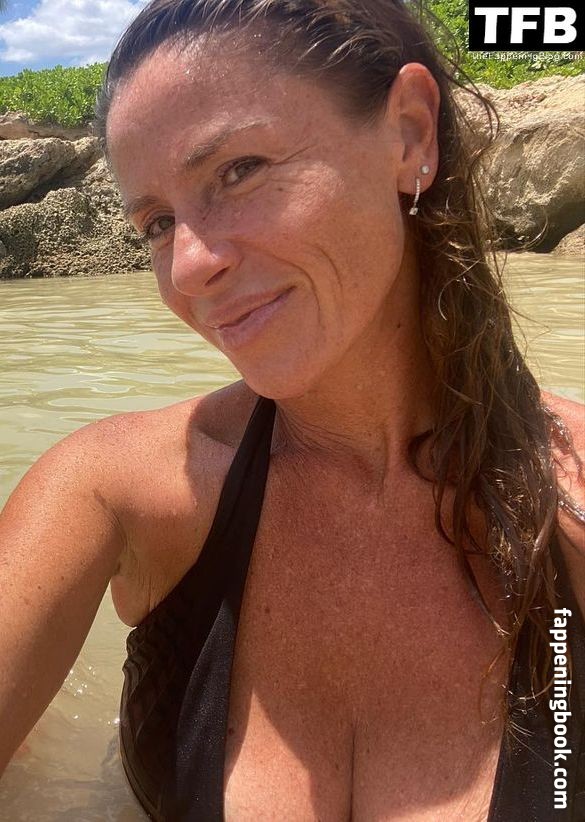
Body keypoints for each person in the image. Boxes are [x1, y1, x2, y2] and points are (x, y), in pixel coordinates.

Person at [1, 0, 584, 819]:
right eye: (158, 223)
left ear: (409, 135)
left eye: (239, 170)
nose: (189, 267)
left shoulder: (570, 508)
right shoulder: (112, 491)